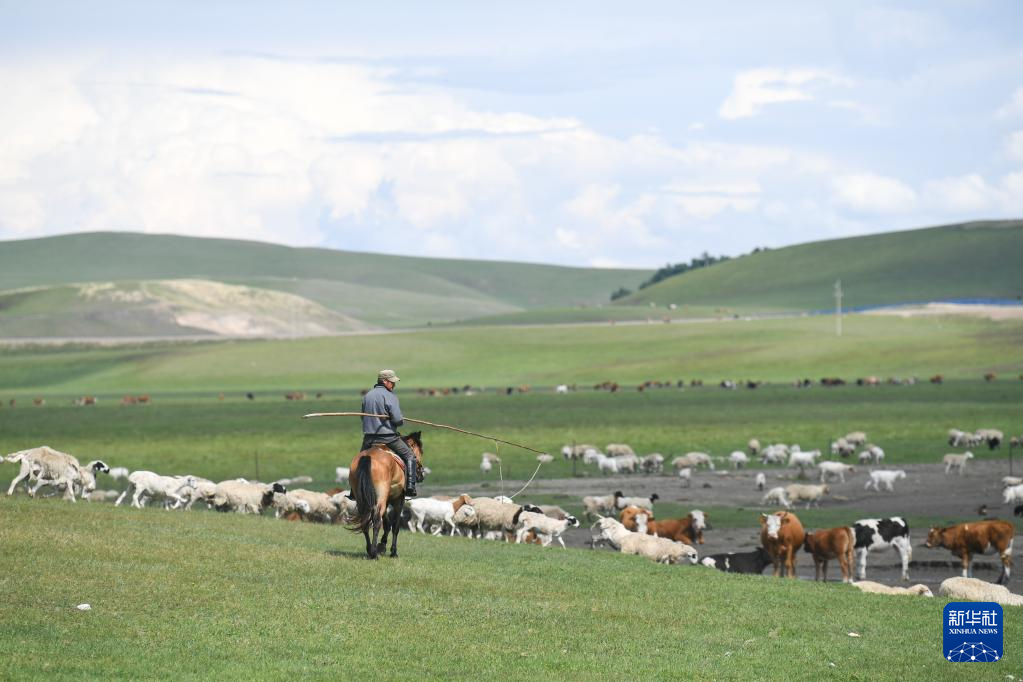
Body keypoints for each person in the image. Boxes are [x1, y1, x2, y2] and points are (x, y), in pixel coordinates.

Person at [361, 369, 418, 498]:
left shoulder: (367, 396)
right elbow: (397, 420)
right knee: (410, 456)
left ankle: (354, 491)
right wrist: (400, 420)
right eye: (392, 382)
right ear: (385, 381)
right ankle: (410, 487)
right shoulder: (390, 396)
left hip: (369, 438)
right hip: (388, 438)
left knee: (359, 461)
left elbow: (363, 418)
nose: (394, 385)